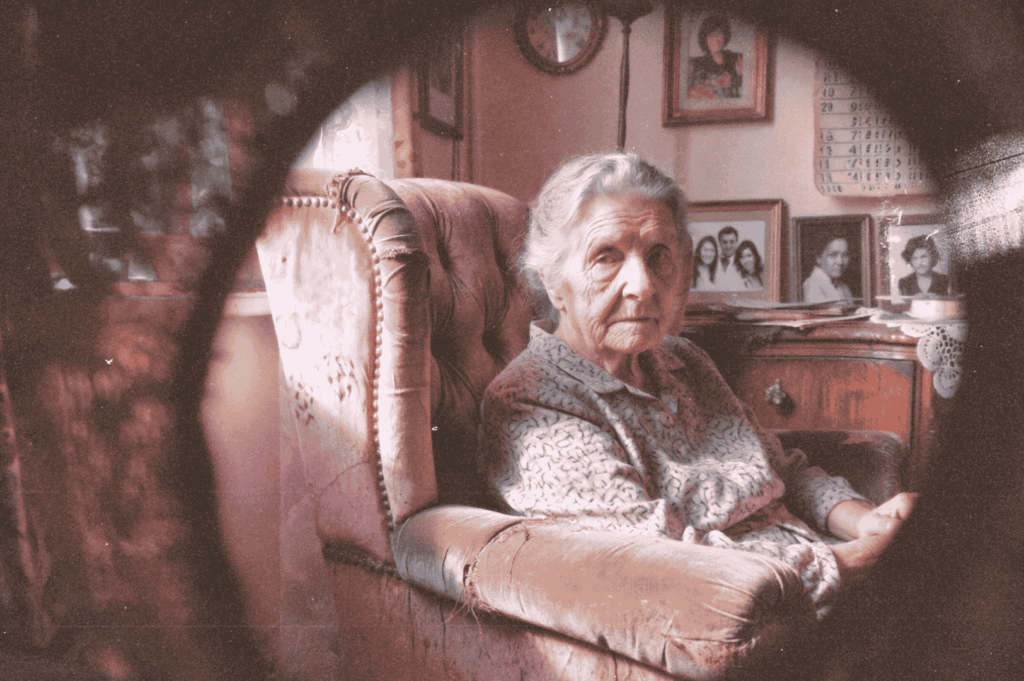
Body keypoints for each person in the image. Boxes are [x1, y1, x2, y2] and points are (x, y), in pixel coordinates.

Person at [479, 152, 915, 618]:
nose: (643, 285)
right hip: (762, 617)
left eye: (658, 255)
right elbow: (672, 565)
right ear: (552, 280)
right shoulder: (529, 402)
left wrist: (869, 519)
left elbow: (781, 469)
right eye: (606, 256)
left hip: (822, 575)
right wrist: (861, 560)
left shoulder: (683, 359)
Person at [687, 15, 743, 99]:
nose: (716, 39)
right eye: (711, 35)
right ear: (705, 39)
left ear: (725, 36)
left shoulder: (736, 58)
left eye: (719, 34)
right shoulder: (696, 64)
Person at [803, 236, 854, 304]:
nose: (840, 262)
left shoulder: (843, 287)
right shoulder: (812, 285)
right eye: (833, 255)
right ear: (819, 258)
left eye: (844, 255)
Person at [714, 225, 744, 289]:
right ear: (719, 243)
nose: (728, 246)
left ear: (737, 242)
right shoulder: (712, 261)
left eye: (732, 242)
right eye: (724, 242)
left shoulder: (745, 262)